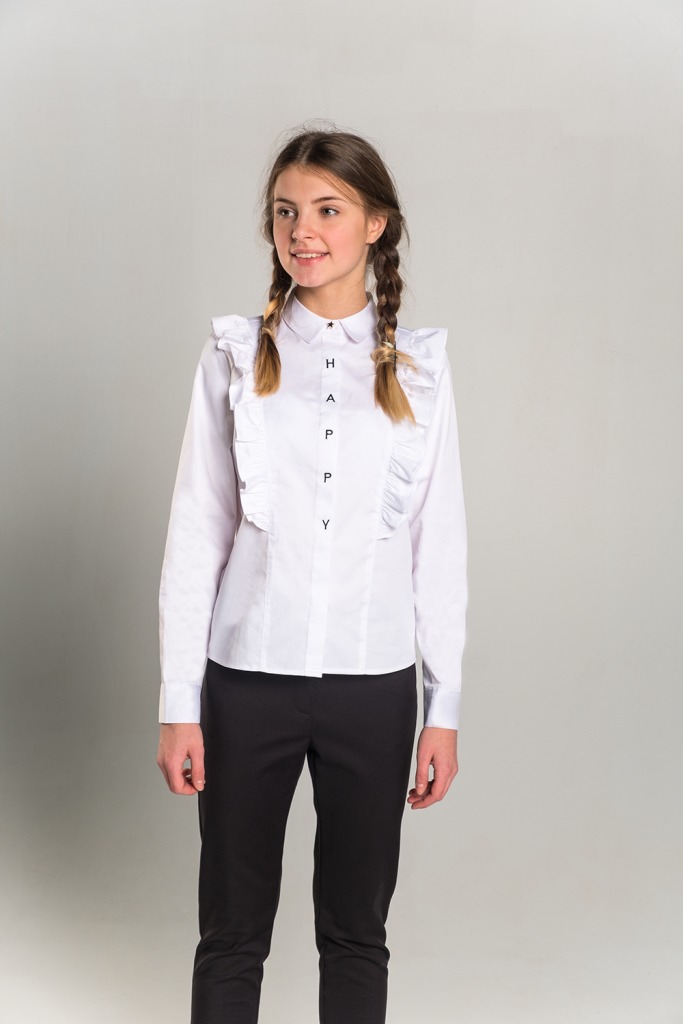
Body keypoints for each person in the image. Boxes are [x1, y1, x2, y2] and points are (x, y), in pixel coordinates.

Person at [156, 125, 468, 1024]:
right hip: (245, 681)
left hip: (374, 685)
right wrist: (179, 700)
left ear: (375, 224)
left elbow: (438, 541)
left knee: (357, 933)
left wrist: (442, 707)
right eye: (286, 211)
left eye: (328, 210)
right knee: (230, 933)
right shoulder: (233, 357)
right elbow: (196, 532)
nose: (303, 231)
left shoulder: (421, 368)